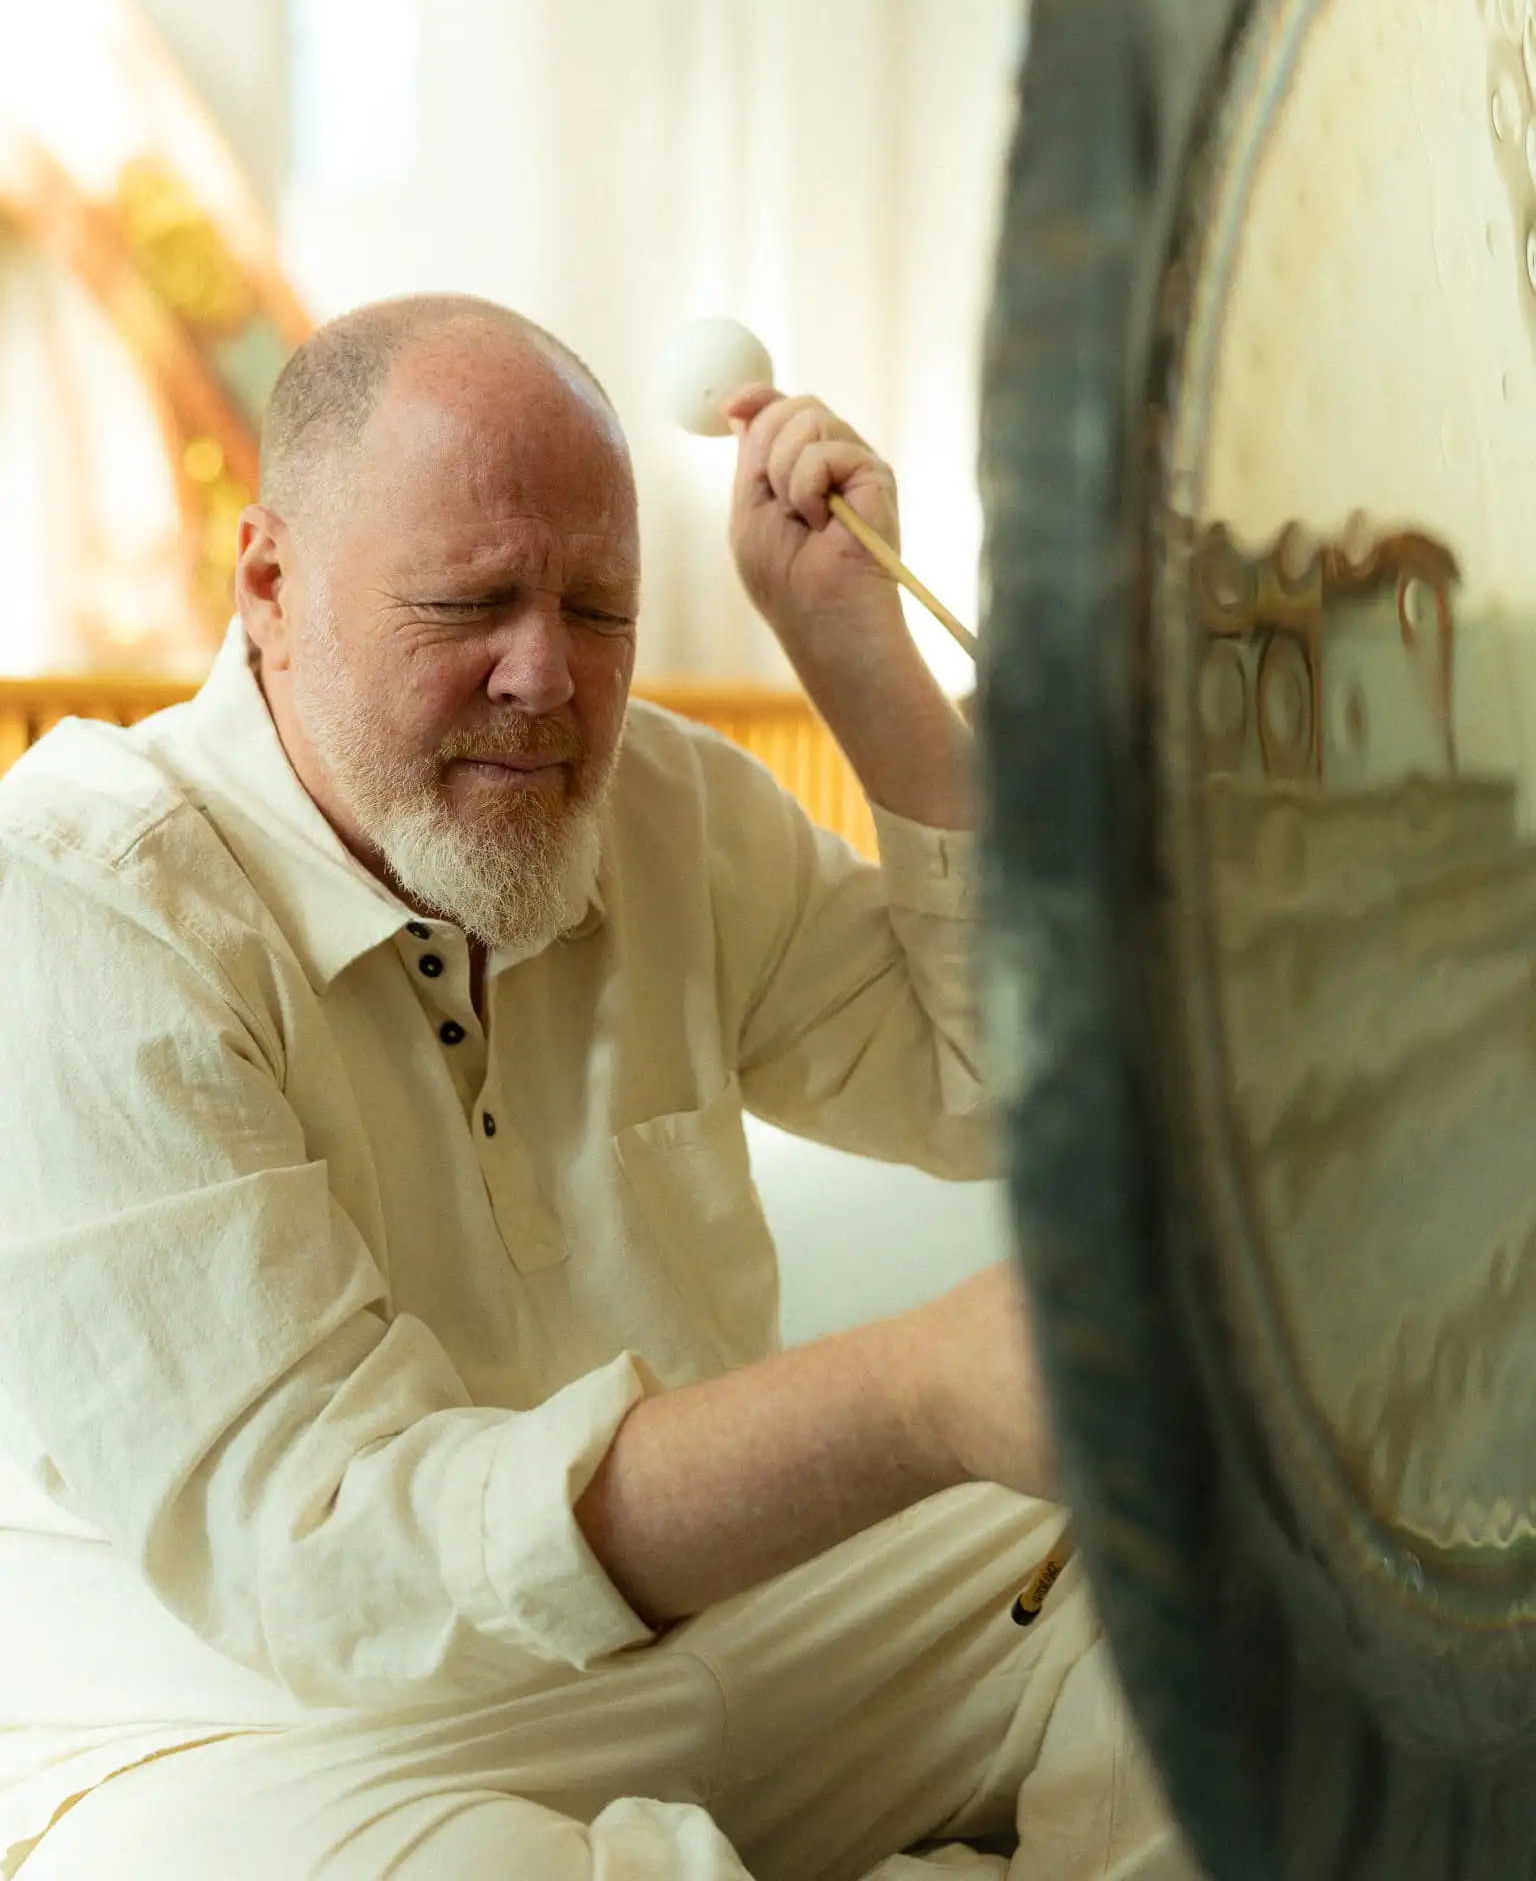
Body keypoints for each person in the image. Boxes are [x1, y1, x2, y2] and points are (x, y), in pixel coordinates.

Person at [0, 295, 1194, 1880]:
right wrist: (915, 1394)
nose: (545, 678)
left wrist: (861, 658)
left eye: (602, 607)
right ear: (272, 585)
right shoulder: (83, 905)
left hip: (713, 1633)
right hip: (256, 1738)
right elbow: (335, 1562)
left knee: (1226, 1554)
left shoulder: (662, 804)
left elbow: (1000, 1083)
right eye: (469, 600)